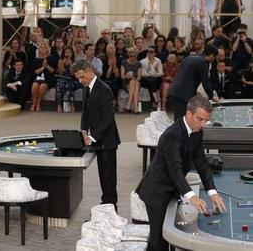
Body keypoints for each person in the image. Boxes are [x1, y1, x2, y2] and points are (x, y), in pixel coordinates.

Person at [135, 95, 226, 251]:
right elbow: (174, 169)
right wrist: (192, 196)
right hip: (156, 190)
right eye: (200, 119)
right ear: (188, 114)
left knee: (168, 238)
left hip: (171, 188)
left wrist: (212, 192)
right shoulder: (172, 135)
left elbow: (201, 163)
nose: (203, 124)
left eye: (206, 120)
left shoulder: (197, 131)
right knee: (158, 242)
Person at [72, 59, 120, 210]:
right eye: (78, 78)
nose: (80, 81)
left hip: (108, 141)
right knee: (103, 176)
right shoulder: (87, 89)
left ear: (89, 71)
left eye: (81, 77)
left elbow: (108, 118)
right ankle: (106, 204)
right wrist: (83, 131)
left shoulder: (104, 89)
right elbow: (84, 114)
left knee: (108, 177)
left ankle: (111, 206)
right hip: (98, 140)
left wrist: (92, 137)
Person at [169, 46, 220, 120]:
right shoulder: (203, 62)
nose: (213, 59)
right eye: (214, 57)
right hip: (185, 94)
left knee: (179, 117)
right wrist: (212, 96)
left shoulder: (189, 58)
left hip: (175, 90)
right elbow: (206, 82)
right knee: (182, 120)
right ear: (212, 55)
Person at [29, 40, 57, 112]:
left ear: (47, 49)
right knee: (35, 85)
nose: (43, 49)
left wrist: (46, 66)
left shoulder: (51, 59)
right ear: (39, 49)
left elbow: (53, 71)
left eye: (45, 47)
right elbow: (35, 72)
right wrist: (42, 67)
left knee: (42, 86)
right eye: (41, 47)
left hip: (48, 78)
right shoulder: (35, 60)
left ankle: (38, 103)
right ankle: (34, 103)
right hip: (38, 78)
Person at [55, 47, 81, 112]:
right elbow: (61, 73)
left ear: (72, 53)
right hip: (63, 79)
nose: (68, 54)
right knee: (59, 83)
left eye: (69, 52)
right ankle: (59, 105)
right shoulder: (60, 61)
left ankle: (72, 105)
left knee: (69, 85)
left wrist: (70, 65)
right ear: (64, 53)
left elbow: (73, 74)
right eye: (66, 52)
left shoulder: (75, 62)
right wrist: (63, 64)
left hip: (73, 80)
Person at [140, 45, 163, 109]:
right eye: (148, 51)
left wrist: (153, 72)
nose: (149, 53)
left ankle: (154, 101)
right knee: (151, 82)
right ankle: (155, 100)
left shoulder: (158, 61)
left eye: (151, 51)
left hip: (155, 79)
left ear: (155, 53)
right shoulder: (143, 61)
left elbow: (161, 73)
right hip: (145, 80)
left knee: (154, 81)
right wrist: (151, 70)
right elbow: (143, 74)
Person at [121, 47, 142, 113]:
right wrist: (127, 76)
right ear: (128, 55)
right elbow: (122, 76)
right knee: (133, 83)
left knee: (134, 82)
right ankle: (135, 108)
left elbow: (139, 78)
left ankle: (128, 106)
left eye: (134, 56)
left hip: (135, 82)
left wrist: (133, 78)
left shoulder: (139, 64)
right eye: (130, 56)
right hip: (126, 82)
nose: (132, 57)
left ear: (136, 55)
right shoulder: (124, 62)